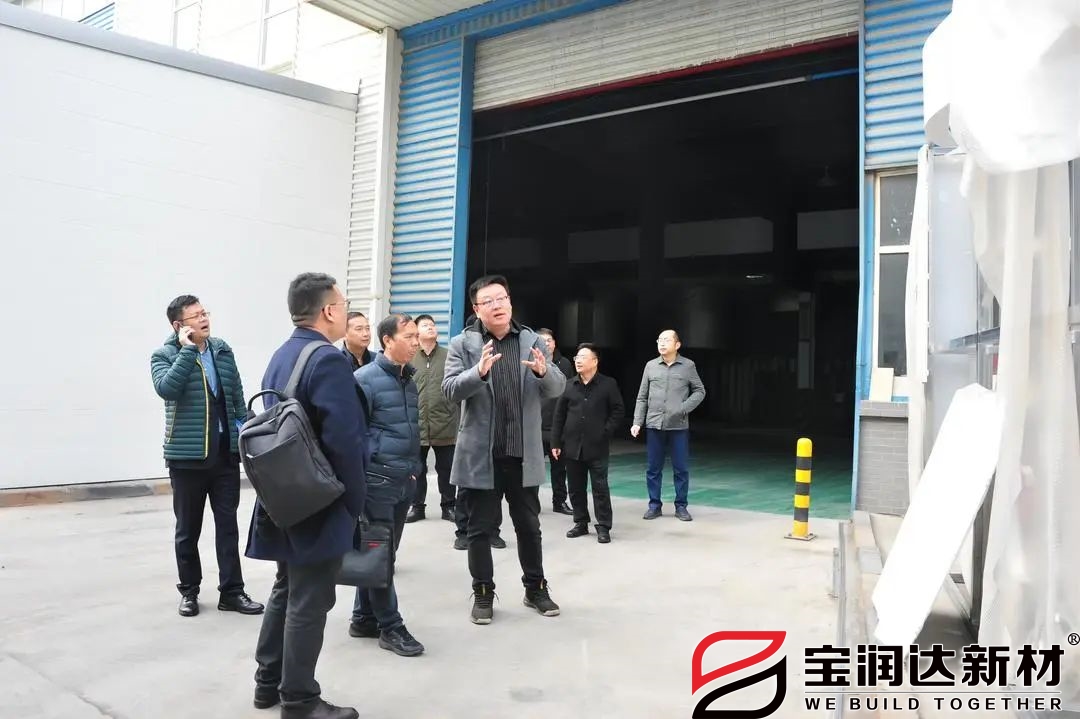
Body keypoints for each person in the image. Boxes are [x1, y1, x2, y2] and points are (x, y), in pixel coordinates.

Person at [246, 273, 367, 719]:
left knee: (287, 587)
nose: (345, 310)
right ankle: (299, 699)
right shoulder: (328, 360)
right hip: (319, 498)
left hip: (285, 495)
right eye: (344, 304)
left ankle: (267, 682)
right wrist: (353, 504)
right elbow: (345, 442)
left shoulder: (283, 354)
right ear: (329, 310)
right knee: (310, 599)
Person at [443, 275, 567, 625]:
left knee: (529, 527)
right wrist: (478, 372)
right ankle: (483, 592)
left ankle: (535, 589)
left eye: (502, 298)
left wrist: (543, 373)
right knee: (479, 530)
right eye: (489, 301)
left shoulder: (531, 341)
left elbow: (557, 387)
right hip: (481, 456)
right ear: (476, 308)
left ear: (510, 301)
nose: (497, 305)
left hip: (521, 453)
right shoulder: (463, 344)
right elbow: (450, 390)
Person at [150, 294, 264, 618]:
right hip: (187, 458)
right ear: (179, 325)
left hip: (224, 455)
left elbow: (237, 396)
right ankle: (189, 591)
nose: (204, 319)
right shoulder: (164, 355)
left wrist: (242, 432)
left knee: (228, 527)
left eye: (205, 313)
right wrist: (187, 351)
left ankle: (232, 592)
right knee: (188, 529)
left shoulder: (222, 350)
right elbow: (167, 389)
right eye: (196, 316)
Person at [347, 313, 425, 658]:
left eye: (416, 336)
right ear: (387, 340)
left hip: (403, 478)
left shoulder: (409, 378)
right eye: (408, 336)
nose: (415, 342)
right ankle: (391, 627)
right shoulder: (364, 379)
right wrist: (367, 472)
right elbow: (353, 434)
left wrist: (414, 470)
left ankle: (363, 617)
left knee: (380, 553)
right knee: (379, 555)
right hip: (376, 481)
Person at [550, 343, 624, 543]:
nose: (578, 361)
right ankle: (580, 522)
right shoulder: (569, 385)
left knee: (600, 487)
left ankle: (603, 526)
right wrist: (555, 442)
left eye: (583, 357)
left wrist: (605, 431)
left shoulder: (608, 384)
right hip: (572, 445)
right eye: (576, 357)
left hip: (597, 446)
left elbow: (618, 410)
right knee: (575, 487)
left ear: (595, 361)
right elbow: (559, 416)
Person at [631, 329, 706, 522]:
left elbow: (700, 391)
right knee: (653, 469)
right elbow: (642, 397)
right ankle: (654, 505)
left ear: (677, 345)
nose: (662, 343)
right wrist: (637, 422)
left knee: (681, 468)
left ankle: (681, 506)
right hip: (654, 424)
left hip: (678, 426)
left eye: (666, 340)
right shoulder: (650, 366)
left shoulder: (688, 366)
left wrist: (683, 408)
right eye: (660, 340)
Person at [407, 314, 458, 523]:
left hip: (445, 421)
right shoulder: (409, 357)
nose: (431, 327)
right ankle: (417, 507)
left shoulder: (449, 356)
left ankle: (449, 507)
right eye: (425, 325)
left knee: (446, 469)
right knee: (417, 469)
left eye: (433, 325)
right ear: (416, 331)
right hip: (416, 423)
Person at [537, 328, 574, 515]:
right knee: (534, 469)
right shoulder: (532, 362)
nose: (547, 343)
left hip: (558, 426)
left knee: (559, 468)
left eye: (549, 340)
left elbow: (570, 390)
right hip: (536, 425)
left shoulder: (564, 363)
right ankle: (531, 503)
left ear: (554, 343)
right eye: (542, 340)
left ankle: (559, 502)